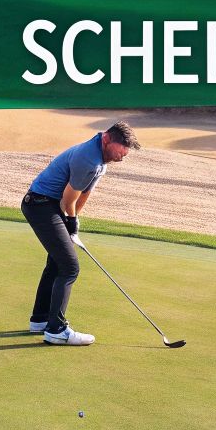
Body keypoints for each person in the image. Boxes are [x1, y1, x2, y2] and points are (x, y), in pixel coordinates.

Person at [21, 121, 141, 346]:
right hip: (40, 205)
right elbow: (68, 199)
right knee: (69, 267)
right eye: (121, 149)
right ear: (107, 139)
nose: (123, 156)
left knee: (57, 263)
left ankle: (40, 320)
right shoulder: (89, 159)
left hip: (49, 206)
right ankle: (56, 329)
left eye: (126, 151)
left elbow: (82, 196)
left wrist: (73, 220)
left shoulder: (101, 162)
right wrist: (71, 221)